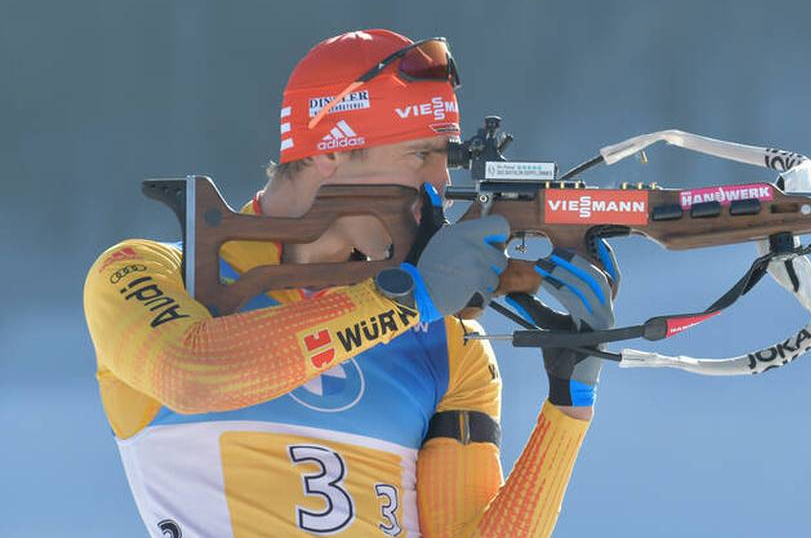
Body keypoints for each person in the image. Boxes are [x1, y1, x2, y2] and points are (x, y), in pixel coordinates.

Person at [83, 29, 617, 537]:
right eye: (420, 155)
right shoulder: (148, 271)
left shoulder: (449, 340)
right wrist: (409, 299)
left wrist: (568, 404)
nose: (440, 183)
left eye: (448, 157)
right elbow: (193, 375)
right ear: (329, 152)